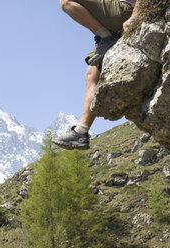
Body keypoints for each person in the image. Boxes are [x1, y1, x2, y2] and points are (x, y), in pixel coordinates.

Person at [52, 0, 139, 150]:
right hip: (117, 19)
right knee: (92, 73)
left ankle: (106, 37)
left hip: (125, 11)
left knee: (66, 1)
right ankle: (81, 131)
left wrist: (135, 16)